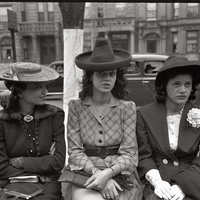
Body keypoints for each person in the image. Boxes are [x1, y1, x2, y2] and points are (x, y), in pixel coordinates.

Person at [64, 37, 143, 200]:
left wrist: (108, 174)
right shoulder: (76, 108)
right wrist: (97, 174)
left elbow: (130, 153)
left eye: (111, 74)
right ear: (90, 77)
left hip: (120, 174)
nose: (107, 78)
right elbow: (74, 151)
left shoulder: (126, 108)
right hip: (85, 173)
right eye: (101, 74)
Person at [136, 56, 200, 200]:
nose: (183, 90)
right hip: (158, 179)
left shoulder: (198, 114)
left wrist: (183, 186)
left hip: (191, 179)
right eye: (176, 84)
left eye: (187, 84)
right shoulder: (145, 114)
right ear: (165, 85)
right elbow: (144, 155)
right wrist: (157, 182)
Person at [0, 62, 66, 199]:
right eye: (38, 87)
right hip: (12, 184)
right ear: (19, 92)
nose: (45, 91)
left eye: (44, 86)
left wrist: (21, 162)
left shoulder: (54, 115)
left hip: (48, 184)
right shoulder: (2, 121)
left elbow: (58, 161)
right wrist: (40, 171)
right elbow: (1, 168)